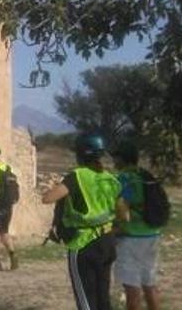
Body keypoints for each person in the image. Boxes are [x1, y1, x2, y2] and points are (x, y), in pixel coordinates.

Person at [42, 133, 130, 310]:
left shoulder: (77, 176)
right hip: (107, 243)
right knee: (103, 298)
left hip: (83, 244)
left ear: (81, 155)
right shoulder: (111, 179)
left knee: (86, 300)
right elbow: (125, 216)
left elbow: (48, 198)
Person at [111, 141, 162, 310]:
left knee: (132, 289)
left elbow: (122, 208)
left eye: (115, 157)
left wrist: (116, 228)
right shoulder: (146, 175)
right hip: (152, 234)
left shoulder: (125, 178)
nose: (113, 161)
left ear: (122, 159)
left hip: (132, 238)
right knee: (150, 284)